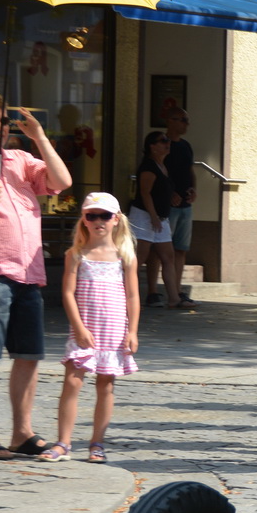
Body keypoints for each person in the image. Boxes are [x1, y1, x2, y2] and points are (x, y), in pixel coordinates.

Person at [0, 91, 72, 461]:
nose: (0, 128)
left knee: (28, 356)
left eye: (4, 121)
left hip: (28, 272)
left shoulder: (21, 160)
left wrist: (39, 138)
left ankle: (22, 433)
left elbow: (62, 182)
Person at [47, 192, 139, 463]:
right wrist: (78, 327)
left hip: (113, 330)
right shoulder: (76, 254)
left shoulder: (125, 256)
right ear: (84, 220)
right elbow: (67, 293)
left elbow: (133, 296)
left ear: (116, 220)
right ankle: (63, 442)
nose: (99, 221)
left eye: (105, 215)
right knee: (72, 382)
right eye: (92, 215)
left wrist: (132, 330)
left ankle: (97, 442)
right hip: (84, 329)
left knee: (106, 385)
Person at [128, 130, 192, 310]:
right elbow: (144, 193)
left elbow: (160, 190)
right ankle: (123, 296)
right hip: (144, 216)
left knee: (168, 256)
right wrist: (154, 217)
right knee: (139, 257)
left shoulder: (163, 166)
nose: (167, 143)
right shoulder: (148, 167)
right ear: (152, 146)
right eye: (162, 141)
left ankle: (174, 298)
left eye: (167, 140)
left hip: (161, 217)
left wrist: (172, 196)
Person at [162, 106, 197, 305]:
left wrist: (193, 189)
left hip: (185, 204)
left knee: (181, 249)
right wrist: (169, 193)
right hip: (168, 205)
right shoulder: (162, 144)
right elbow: (161, 171)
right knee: (162, 250)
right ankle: (155, 290)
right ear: (170, 121)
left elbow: (190, 170)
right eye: (182, 120)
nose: (186, 124)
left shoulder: (186, 146)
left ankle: (177, 288)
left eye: (186, 120)